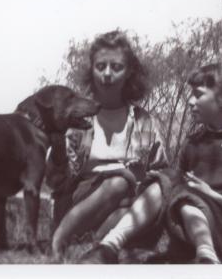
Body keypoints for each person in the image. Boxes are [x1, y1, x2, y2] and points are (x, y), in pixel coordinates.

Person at [79, 62, 222, 264]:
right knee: (168, 179)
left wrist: (212, 194)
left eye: (198, 95)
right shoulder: (194, 143)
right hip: (184, 220)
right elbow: (172, 190)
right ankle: (108, 246)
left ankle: (208, 257)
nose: (190, 101)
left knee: (184, 195)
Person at [46, 30, 168, 257]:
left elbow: (161, 174)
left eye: (116, 67)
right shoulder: (78, 120)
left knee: (137, 197)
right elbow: (56, 181)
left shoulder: (143, 121)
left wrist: (143, 177)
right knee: (118, 183)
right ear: (91, 71)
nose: (107, 74)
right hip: (81, 201)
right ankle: (62, 236)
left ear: (130, 71)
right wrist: (57, 149)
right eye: (100, 67)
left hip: (128, 205)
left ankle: (98, 244)